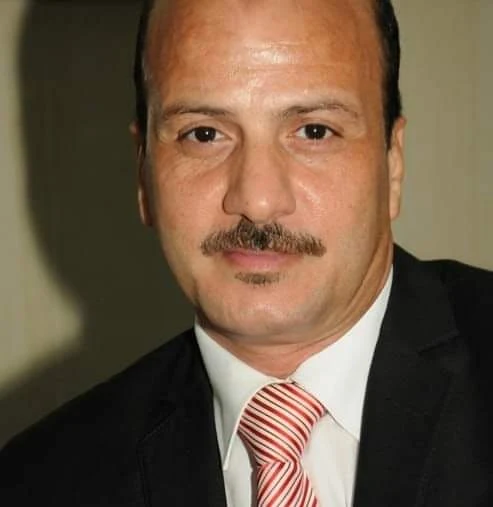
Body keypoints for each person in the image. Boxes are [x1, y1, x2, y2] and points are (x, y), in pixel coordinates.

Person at [1, 0, 491, 505]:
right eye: (204, 135)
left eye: (314, 131)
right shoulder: (38, 483)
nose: (257, 201)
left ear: (393, 162)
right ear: (143, 174)